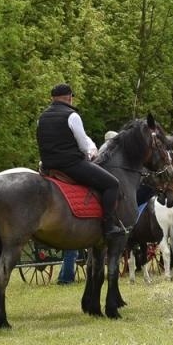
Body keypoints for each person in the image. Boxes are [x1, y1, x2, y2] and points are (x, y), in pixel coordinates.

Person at [37, 83, 123, 243]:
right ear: (70, 97)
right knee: (112, 184)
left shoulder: (42, 117)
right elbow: (84, 145)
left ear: (52, 98)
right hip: (70, 165)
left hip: (48, 166)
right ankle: (109, 226)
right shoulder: (72, 116)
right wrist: (89, 155)